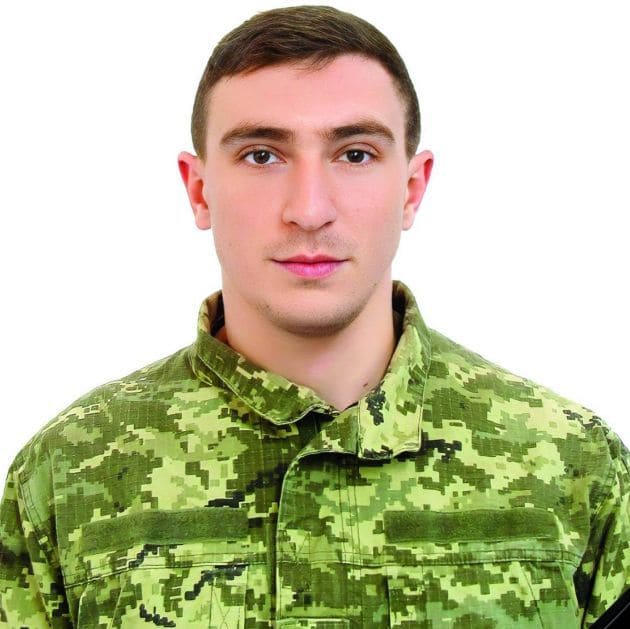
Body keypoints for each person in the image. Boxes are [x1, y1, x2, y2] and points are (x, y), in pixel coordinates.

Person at [0, 4, 628, 627]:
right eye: (261, 155)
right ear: (199, 190)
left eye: (354, 154)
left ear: (411, 189)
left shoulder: (572, 464)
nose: (308, 209)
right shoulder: (64, 473)